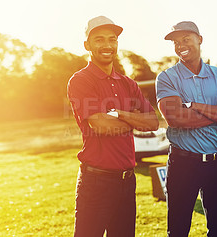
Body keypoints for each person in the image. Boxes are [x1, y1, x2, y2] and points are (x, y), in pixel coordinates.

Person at [67, 16, 159, 237]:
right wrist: (134, 120)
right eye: (99, 40)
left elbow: (153, 122)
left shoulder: (128, 84)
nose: (107, 45)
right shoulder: (81, 80)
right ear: (87, 45)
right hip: (96, 182)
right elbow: (101, 125)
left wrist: (118, 114)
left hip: (127, 181)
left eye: (112, 39)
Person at [156, 21, 217, 237]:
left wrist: (195, 106)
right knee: (177, 231)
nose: (180, 46)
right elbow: (176, 118)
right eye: (176, 42)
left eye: (186, 39)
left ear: (200, 39)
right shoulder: (167, 77)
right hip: (182, 163)